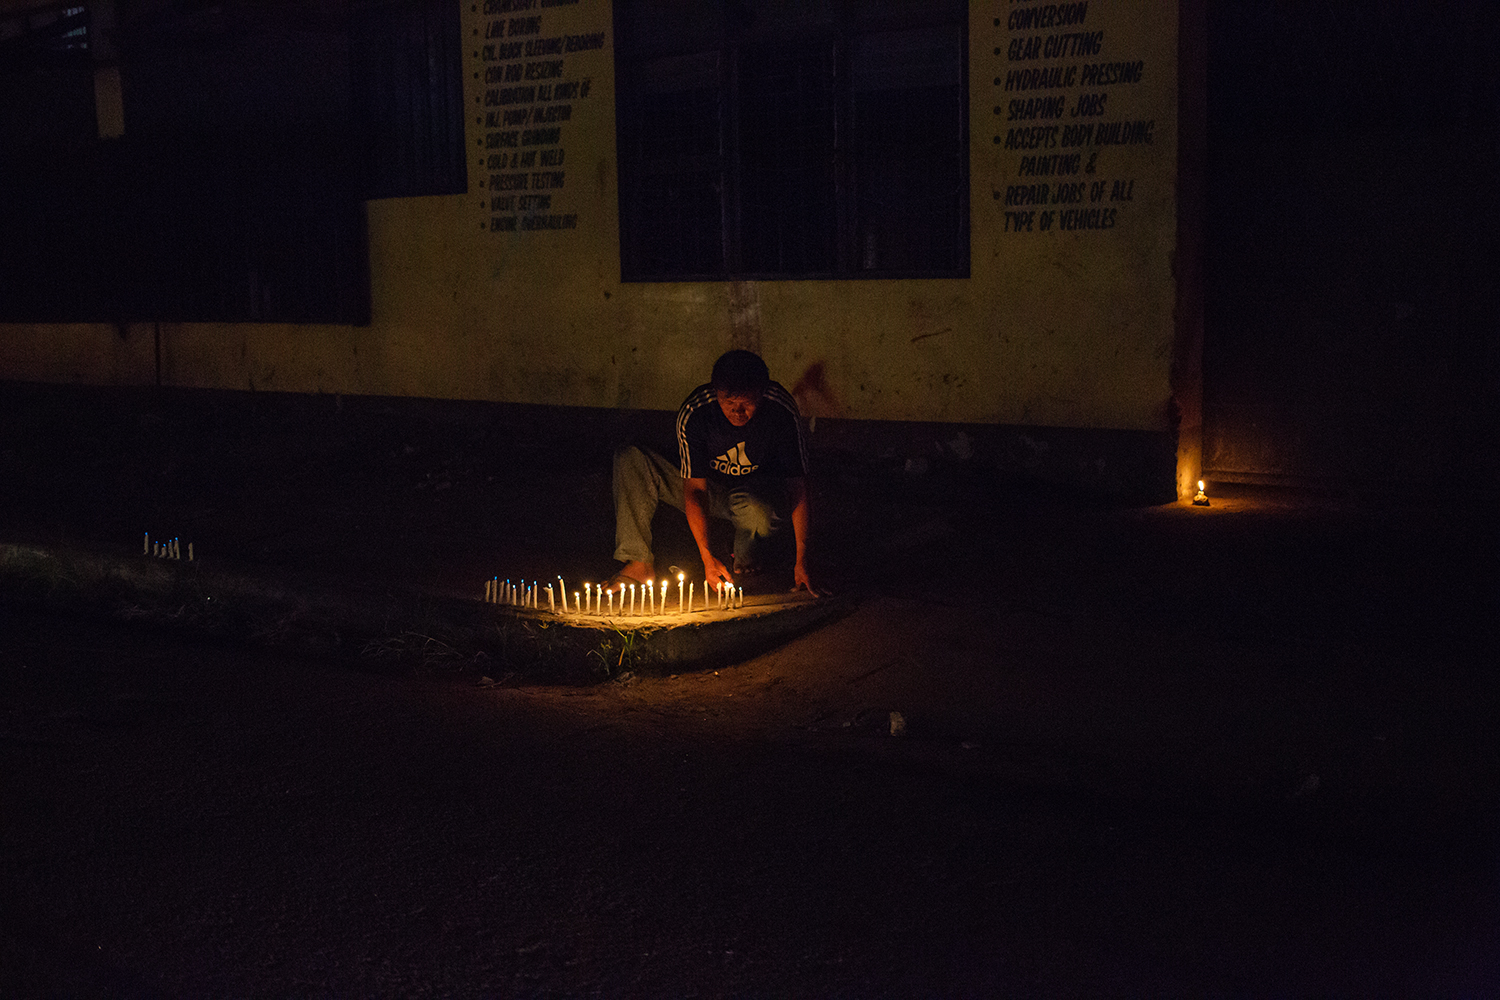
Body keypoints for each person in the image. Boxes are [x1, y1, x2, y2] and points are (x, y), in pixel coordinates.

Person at [610, 349, 816, 594]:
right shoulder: (697, 411)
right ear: (716, 393)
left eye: (747, 403)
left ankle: (746, 553)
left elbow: (796, 487)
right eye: (729, 403)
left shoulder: (779, 410)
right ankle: (638, 563)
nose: (738, 412)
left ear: (761, 394)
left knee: (756, 511)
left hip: (757, 496)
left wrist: (802, 561)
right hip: (713, 492)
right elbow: (695, 489)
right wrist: (707, 558)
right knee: (632, 459)